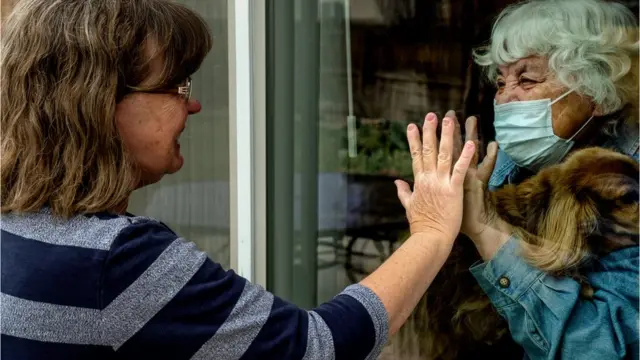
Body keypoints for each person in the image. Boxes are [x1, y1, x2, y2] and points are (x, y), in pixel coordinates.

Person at [0, 0, 476, 359]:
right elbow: (319, 347)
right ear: (98, 102)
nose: (193, 105)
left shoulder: (15, 228)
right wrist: (432, 233)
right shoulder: (116, 262)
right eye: (176, 86)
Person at [446, 0, 638, 358]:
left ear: (599, 94)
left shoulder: (629, 190)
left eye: (527, 79)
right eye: (501, 83)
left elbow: (599, 349)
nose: (505, 98)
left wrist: (486, 228)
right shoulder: (510, 161)